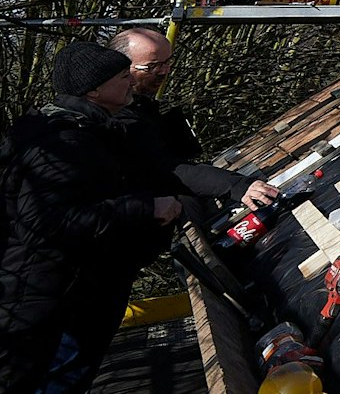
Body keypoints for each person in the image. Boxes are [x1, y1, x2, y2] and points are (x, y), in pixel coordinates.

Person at [0, 42, 184, 393]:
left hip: (56, 293)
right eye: (120, 76)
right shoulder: (66, 142)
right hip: (52, 300)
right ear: (95, 89)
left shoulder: (68, 128)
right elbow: (47, 222)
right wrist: (146, 208)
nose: (130, 81)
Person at [107, 28, 279, 211]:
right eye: (152, 67)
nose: (164, 72)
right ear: (122, 70)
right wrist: (236, 186)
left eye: (167, 62)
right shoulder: (115, 116)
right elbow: (167, 168)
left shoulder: (139, 103)